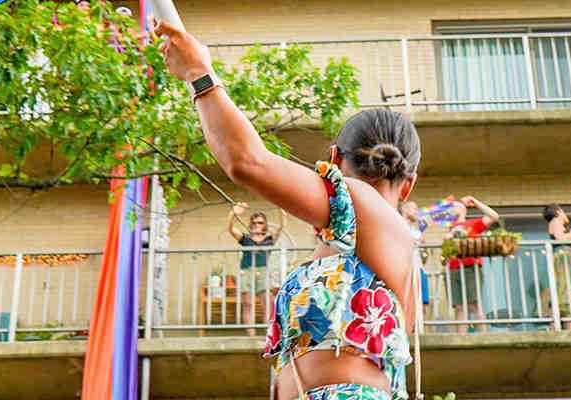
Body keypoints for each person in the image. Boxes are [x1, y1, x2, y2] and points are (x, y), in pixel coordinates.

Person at [154, 20, 419, 400]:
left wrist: (199, 74)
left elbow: (247, 162)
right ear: (409, 183)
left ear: (332, 160)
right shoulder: (365, 246)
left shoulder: (363, 206)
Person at [444, 195, 501, 331]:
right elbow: (445, 255)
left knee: (474, 304)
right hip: (453, 269)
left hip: (470, 267)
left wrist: (475, 202)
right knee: (459, 306)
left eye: (455, 206)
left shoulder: (472, 224)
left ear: (463, 209)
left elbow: (494, 216)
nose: (451, 209)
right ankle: (460, 339)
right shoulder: (449, 229)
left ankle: (483, 336)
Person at [228, 203, 287, 333]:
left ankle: (267, 335)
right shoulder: (245, 239)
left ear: (264, 224)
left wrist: (280, 210)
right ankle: (251, 335)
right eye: (254, 223)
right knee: (247, 304)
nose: (257, 225)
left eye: (260, 223)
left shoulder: (269, 239)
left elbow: (281, 227)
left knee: (267, 303)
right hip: (247, 271)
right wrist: (233, 213)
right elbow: (231, 229)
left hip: (263, 271)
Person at [400, 202, 430, 317]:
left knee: (423, 302)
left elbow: (425, 255)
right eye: (414, 209)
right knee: (407, 302)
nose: (417, 212)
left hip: (419, 268)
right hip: (405, 270)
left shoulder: (417, 231)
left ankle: (423, 332)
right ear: (405, 210)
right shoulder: (398, 225)